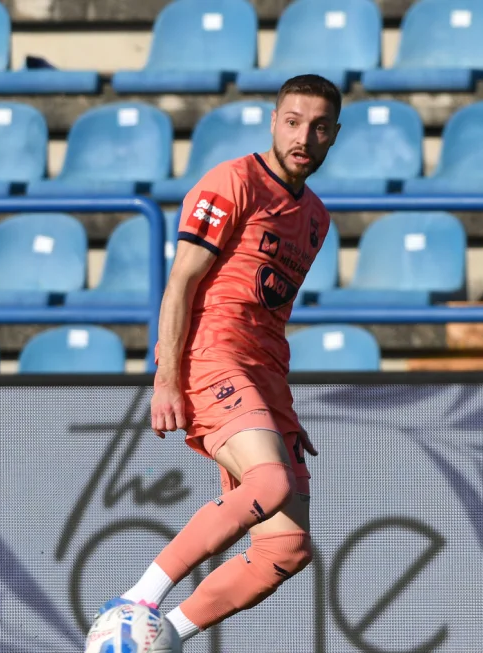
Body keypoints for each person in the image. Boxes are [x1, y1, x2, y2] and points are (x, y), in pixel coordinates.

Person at [91, 74, 341, 643]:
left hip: (265, 375)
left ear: (333, 136)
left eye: (319, 127)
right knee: (270, 482)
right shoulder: (232, 181)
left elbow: (270, 313)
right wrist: (166, 379)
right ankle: (137, 600)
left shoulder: (316, 217)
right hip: (212, 357)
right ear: (274, 122)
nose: (304, 136)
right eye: (294, 122)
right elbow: (181, 282)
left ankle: (166, 632)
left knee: (287, 547)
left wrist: (283, 412)